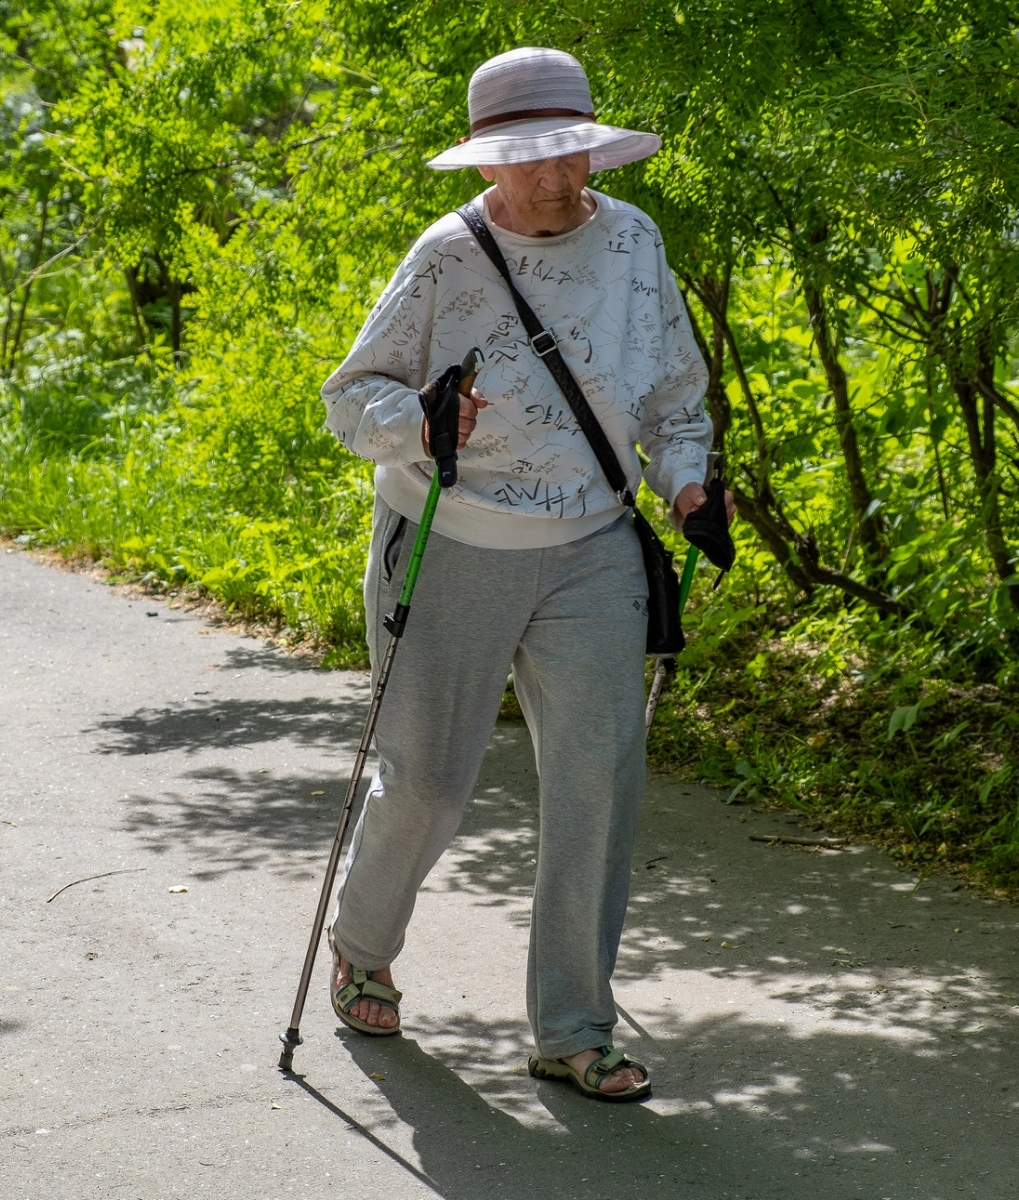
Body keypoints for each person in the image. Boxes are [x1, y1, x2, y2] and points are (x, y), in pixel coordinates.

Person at [320, 45, 732, 1102]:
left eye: (572, 154)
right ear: (487, 164)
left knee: (598, 779)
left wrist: (689, 484)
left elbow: (676, 398)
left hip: (594, 547)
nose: (558, 178)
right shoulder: (446, 256)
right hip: (452, 539)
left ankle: (574, 1026)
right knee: (427, 779)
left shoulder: (635, 243)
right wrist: (417, 419)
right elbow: (350, 396)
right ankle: (363, 947)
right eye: (532, 158)